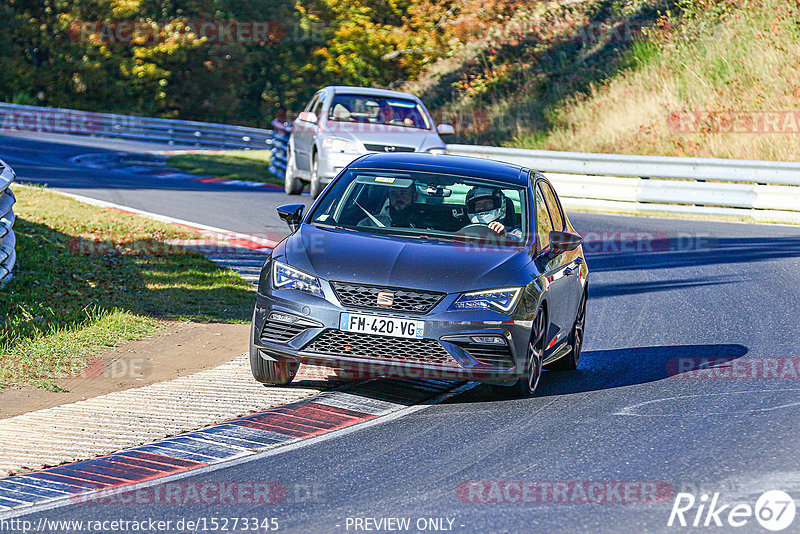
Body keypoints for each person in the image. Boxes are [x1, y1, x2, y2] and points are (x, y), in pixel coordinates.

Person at [359, 184, 424, 228]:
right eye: (393, 194)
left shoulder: (427, 224)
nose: (398, 198)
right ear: (389, 197)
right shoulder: (369, 224)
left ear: (415, 197)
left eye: (403, 193)